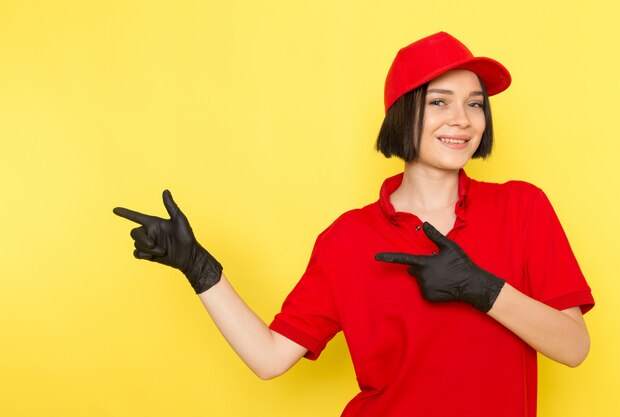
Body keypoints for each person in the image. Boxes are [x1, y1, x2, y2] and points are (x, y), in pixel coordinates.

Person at [113, 32, 594, 417]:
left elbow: (574, 347)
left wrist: (481, 288)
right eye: (439, 102)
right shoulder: (348, 239)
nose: (463, 120)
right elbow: (270, 357)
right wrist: (199, 268)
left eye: (475, 103)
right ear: (404, 114)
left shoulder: (522, 207)